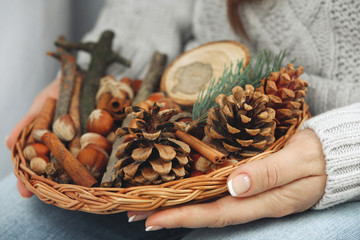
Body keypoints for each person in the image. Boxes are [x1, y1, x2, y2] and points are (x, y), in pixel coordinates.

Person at [4, 0, 360, 239]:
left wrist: (344, 149)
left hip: (337, 157)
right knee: (11, 220)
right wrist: (97, 75)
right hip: (187, 99)